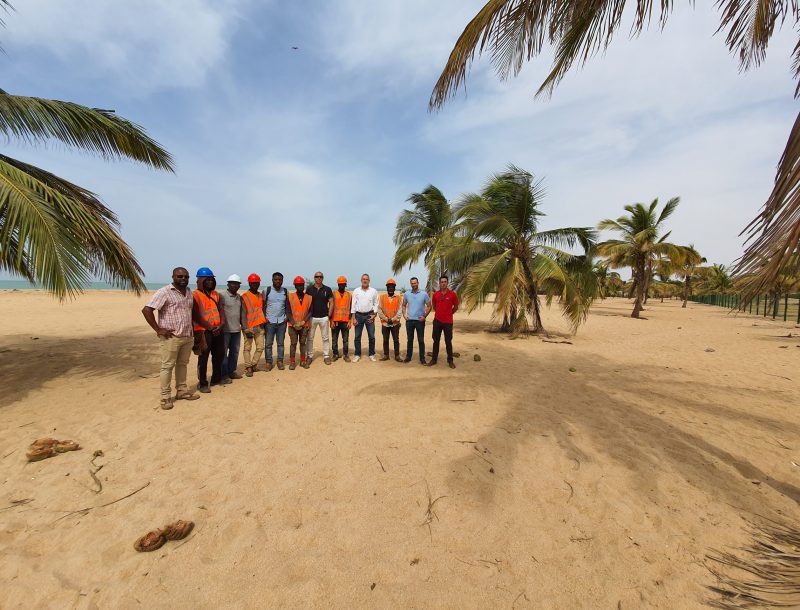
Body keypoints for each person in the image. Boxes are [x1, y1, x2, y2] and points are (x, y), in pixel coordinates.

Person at [141, 267, 200, 410]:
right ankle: (165, 397)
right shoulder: (164, 292)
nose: (183, 279)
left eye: (186, 277)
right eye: (180, 277)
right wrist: (158, 329)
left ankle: (182, 391)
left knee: (182, 365)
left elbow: (191, 314)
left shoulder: (188, 293)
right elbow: (147, 309)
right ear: (173, 277)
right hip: (171, 337)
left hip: (187, 335)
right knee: (167, 366)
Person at [192, 267, 227, 393]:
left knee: (219, 354)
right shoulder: (195, 295)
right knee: (203, 357)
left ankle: (216, 378)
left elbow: (221, 310)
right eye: (208, 280)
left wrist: (221, 324)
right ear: (201, 280)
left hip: (218, 329)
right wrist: (210, 327)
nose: (210, 282)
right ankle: (202, 383)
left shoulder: (216, 295)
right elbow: (195, 315)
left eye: (212, 280)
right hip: (203, 331)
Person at [429, 275, 459, 369]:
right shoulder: (436, 294)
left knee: (448, 342)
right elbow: (434, 306)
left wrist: (449, 314)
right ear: (439, 283)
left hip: (448, 322)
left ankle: (450, 360)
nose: (443, 283)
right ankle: (434, 359)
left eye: (445, 281)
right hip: (437, 321)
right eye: (441, 282)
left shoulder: (452, 294)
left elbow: (456, 307)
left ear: (447, 282)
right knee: (436, 341)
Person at [241, 273, 266, 377]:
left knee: (260, 348)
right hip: (249, 327)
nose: (255, 284)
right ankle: (248, 367)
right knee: (247, 348)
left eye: (257, 283)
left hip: (260, 326)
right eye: (253, 283)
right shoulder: (244, 297)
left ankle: (254, 364)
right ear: (249, 283)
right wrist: (246, 329)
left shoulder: (260, 295)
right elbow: (242, 314)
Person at [306, 271, 334, 366]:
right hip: (312, 317)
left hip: (324, 317)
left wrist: (329, 315)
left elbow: (331, 302)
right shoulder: (309, 289)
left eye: (320, 276)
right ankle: (309, 356)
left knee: (325, 338)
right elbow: (306, 303)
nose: (319, 278)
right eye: (317, 276)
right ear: (314, 278)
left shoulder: (327, 289)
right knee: (310, 338)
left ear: (323, 278)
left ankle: (326, 356)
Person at [219, 274, 243, 381]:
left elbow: (241, 313)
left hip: (236, 330)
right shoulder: (222, 296)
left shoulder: (239, 297)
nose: (235, 285)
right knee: (223, 353)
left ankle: (231, 371)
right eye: (233, 283)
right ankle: (224, 374)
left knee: (235, 352)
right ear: (228, 284)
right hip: (225, 330)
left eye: (237, 284)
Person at [402, 276, 431, 365]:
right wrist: (404, 315)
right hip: (409, 321)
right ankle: (408, 357)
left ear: (418, 283)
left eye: (415, 283)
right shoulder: (407, 294)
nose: (413, 285)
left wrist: (424, 316)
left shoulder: (424, 294)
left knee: (421, 340)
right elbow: (403, 305)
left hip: (420, 321)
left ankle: (422, 359)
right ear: (410, 284)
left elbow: (429, 306)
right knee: (410, 340)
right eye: (412, 283)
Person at [350, 273, 378, 362]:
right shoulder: (356, 291)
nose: (365, 280)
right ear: (361, 280)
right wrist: (353, 318)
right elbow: (353, 305)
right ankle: (357, 354)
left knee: (371, 336)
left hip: (369, 315)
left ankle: (372, 354)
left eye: (366, 279)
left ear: (369, 281)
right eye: (363, 279)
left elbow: (376, 304)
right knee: (357, 336)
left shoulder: (373, 291)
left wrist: (374, 315)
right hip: (358, 315)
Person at [263, 272, 288, 371]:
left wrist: (286, 317)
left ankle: (280, 361)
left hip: (282, 321)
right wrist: (264, 318)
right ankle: (269, 362)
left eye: (280, 280)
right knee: (268, 344)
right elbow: (263, 305)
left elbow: (287, 305)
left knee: (280, 343)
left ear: (282, 280)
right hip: (269, 322)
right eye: (276, 279)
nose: (278, 281)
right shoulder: (267, 290)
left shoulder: (285, 291)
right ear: (272, 280)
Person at [287, 275, 313, 369]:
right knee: (293, 343)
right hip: (292, 325)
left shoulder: (309, 297)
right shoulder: (290, 296)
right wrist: (294, 323)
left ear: (304, 285)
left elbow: (310, 311)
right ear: (295, 286)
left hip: (304, 325)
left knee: (303, 343)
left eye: (301, 285)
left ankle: (302, 360)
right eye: (298, 285)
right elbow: (288, 311)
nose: (300, 287)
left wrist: (303, 321)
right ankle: (292, 362)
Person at [378, 279, 403, 362]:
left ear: (394, 288)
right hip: (385, 323)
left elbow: (400, 311)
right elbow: (379, 310)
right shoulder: (382, 297)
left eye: (392, 286)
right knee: (385, 340)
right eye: (389, 286)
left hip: (395, 324)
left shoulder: (399, 298)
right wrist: (386, 319)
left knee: (396, 340)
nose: (391, 288)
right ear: (387, 287)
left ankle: (397, 356)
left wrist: (392, 319)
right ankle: (386, 355)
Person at [330, 276, 352, 362]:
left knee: (345, 340)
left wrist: (350, 320)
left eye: (343, 284)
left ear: (345, 285)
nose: (342, 285)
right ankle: (335, 354)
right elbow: (330, 308)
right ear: (338, 284)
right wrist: (331, 320)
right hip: (335, 321)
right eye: (340, 284)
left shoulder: (349, 295)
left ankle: (345, 355)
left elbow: (351, 309)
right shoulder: (333, 294)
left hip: (345, 321)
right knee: (334, 339)